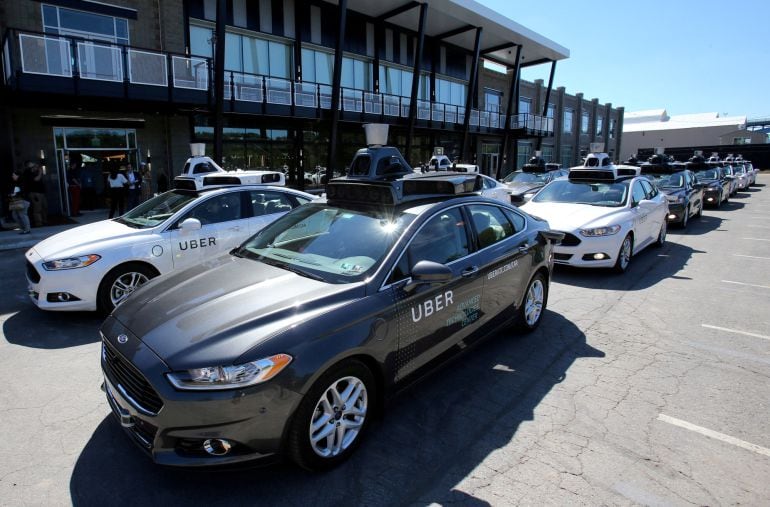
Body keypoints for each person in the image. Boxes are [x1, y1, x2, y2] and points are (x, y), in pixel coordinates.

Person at [22, 161, 48, 227]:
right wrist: (40, 172)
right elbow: (36, 179)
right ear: (28, 166)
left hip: (41, 192)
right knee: (37, 209)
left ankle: (44, 221)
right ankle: (39, 223)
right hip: (35, 193)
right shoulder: (27, 172)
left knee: (44, 207)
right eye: (33, 165)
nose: (35, 166)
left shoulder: (34, 172)